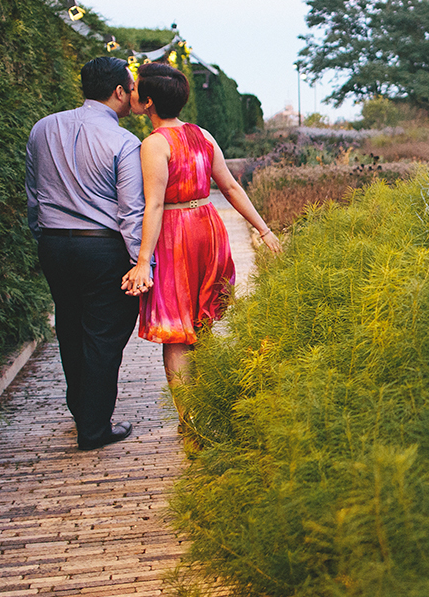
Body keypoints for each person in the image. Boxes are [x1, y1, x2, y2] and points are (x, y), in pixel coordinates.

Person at [120, 63, 281, 436]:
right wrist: (264, 230)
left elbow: (155, 205)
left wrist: (143, 261)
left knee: (177, 330)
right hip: (208, 227)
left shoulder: (154, 144)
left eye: (136, 90)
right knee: (200, 321)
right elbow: (231, 188)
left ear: (147, 102)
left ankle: (190, 419)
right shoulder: (202, 135)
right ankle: (205, 400)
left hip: (175, 233)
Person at [25, 56, 147, 451]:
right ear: (118, 91)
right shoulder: (125, 142)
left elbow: (33, 194)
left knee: (71, 328)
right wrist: (140, 262)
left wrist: (41, 235)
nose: (133, 96)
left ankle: (81, 408)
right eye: (130, 89)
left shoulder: (43, 128)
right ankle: (94, 428)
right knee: (104, 336)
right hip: (103, 246)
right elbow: (130, 211)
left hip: (55, 245)